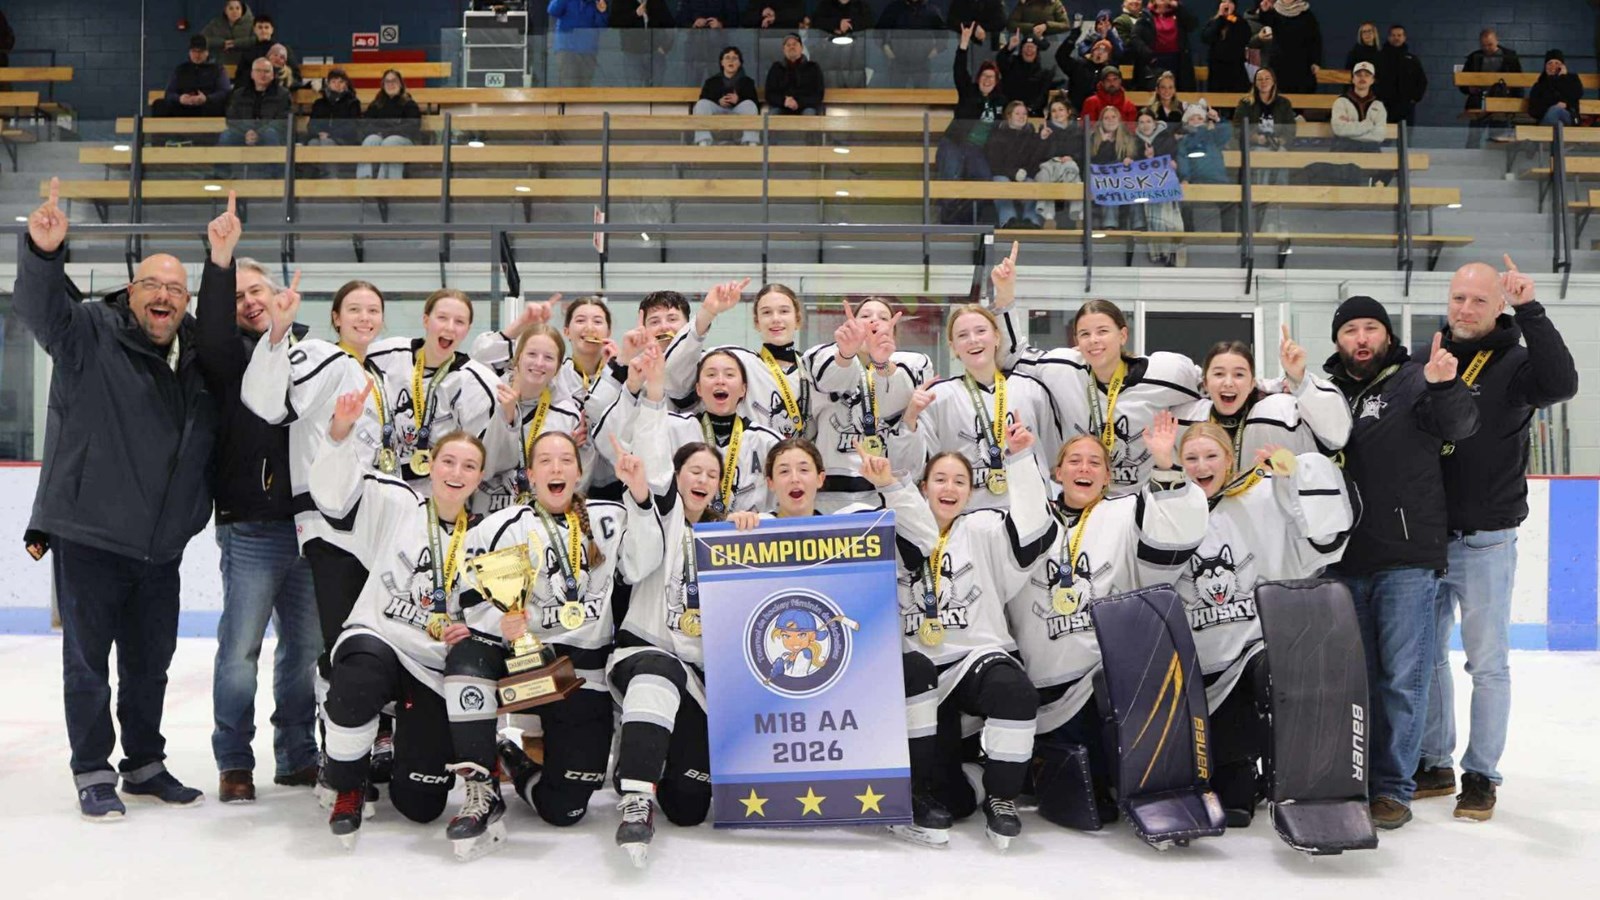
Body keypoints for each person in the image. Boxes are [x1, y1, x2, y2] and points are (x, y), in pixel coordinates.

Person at [16, 179, 220, 820]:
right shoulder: (88, 333)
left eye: (175, 290)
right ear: (130, 292)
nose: (164, 297)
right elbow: (41, 309)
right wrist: (44, 254)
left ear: (186, 302)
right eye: (152, 285)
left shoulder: (196, 357)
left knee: (150, 665)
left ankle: (145, 764)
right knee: (87, 664)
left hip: (160, 547)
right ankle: (92, 769)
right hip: (91, 536)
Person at [723, 438, 960, 847]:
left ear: (820, 478)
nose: (794, 479)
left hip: (848, 665)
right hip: (780, 678)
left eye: (803, 469)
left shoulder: (852, 526)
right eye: (783, 471)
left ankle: (913, 793)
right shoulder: (753, 528)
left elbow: (925, 539)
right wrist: (732, 528)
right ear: (769, 482)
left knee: (917, 670)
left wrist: (889, 485)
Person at [1420, 257, 1577, 822]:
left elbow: (1562, 384)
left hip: (1485, 539)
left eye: (1479, 300)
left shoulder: (1516, 363)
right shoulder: (1428, 357)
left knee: (1486, 664)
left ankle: (1481, 774)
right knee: (1427, 660)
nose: (1465, 309)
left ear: (1500, 306)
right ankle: (1434, 762)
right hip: (1424, 540)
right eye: (1458, 298)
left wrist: (1532, 308)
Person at [1322, 295, 1478, 830]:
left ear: (1387, 335)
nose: (1361, 338)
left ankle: (1392, 788)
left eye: (1371, 328)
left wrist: (1445, 385)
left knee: (1402, 680)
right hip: (1343, 558)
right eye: (1350, 330)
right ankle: (1359, 779)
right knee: (1358, 681)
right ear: (1338, 340)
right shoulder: (1327, 392)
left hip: (1407, 558)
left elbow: (1460, 425)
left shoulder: (1416, 379)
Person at [309, 405, 492, 850]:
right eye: (448, 461)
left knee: (421, 806)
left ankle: (394, 750)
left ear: (480, 477)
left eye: (469, 466)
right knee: (357, 679)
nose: (456, 473)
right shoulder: (396, 503)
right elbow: (333, 495)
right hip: (380, 637)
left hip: (431, 666)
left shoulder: (488, 535)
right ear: (431, 465)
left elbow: (496, 608)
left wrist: (472, 628)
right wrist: (338, 435)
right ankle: (347, 783)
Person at [1008, 415, 1206, 820]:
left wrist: (1164, 464)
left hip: (1106, 677)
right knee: (1080, 800)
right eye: (1074, 461)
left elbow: (1172, 539)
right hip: (1044, 679)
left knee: (1109, 789)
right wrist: (1020, 456)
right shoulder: (1032, 520)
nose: (1084, 468)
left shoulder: (1125, 511)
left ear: (1107, 476)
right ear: (1057, 472)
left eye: (1095, 462)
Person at [471, 427, 663, 836]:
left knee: (567, 808)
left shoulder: (608, 517)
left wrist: (640, 494)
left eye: (565, 461)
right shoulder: (503, 526)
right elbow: (464, 593)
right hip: (523, 667)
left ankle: (515, 761)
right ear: (530, 475)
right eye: (545, 461)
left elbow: (641, 565)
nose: (556, 469)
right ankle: (479, 762)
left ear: (579, 472)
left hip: (583, 674)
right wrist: (497, 623)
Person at [241, 279, 394, 788]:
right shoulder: (320, 355)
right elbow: (268, 403)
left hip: (372, 523)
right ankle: (339, 756)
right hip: (331, 525)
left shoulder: (374, 372)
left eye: (373, 310)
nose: (365, 318)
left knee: (372, 640)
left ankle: (371, 746)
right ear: (335, 317)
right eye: (355, 309)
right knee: (340, 646)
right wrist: (278, 333)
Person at [194, 216, 323, 804]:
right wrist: (221, 260)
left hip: (311, 527)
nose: (249, 302)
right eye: (238, 296)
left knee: (305, 652)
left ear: (279, 296)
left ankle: (297, 756)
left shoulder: (311, 354)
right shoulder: (227, 358)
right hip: (250, 527)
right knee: (240, 652)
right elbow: (214, 335)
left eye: (257, 291)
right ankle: (234, 761)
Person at [1173, 425, 1353, 825]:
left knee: (1282, 680)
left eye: (1211, 456)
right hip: (1201, 659)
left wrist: (1290, 477)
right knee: (1234, 806)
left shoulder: (1259, 496)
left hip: (1255, 646)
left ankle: (1299, 778)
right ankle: (1240, 772)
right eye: (1191, 458)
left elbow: (1318, 535)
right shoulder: (1171, 510)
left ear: (1228, 459)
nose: (1201, 466)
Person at [880, 431, 1051, 849]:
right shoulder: (892, 529)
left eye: (960, 481)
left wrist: (1020, 459)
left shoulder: (985, 527)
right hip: (920, 673)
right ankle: (955, 782)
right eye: (940, 479)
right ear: (923, 487)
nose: (950, 488)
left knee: (1014, 691)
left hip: (977, 657)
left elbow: (1033, 529)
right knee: (951, 802)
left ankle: (1002, 796)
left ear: (971, 492)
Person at [605, 359, 725, 864]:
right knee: (659, 669)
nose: (703, 479)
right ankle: (636, 797)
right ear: (678, 478)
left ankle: (643, 750)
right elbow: (653, 467)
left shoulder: (727, 539)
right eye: (694, 470)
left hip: (695, 677)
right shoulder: (666, 516)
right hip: (644, 654)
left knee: (689, 807)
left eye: (712, 475)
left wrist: (752, 530)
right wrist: (655, 395)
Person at [992, 266, 1202, 497]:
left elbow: (1212, 386)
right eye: (1085, 334)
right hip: (1083, 502)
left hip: (1142, 504)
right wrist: (1005, 292)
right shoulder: (1063, 368)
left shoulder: (1166, 372)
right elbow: (1011, 355)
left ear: (1123, 335)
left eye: (1102, 331)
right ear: (1076, 340)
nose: (1093, 340)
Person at [901, 305, 1062, 511]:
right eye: (962, 335)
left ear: (997, 337)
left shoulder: (1032, 390)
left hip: (1029, 514)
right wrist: (910, 417)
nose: (973, 340)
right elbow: (914, 470)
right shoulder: (938, 397)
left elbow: (1053, 459)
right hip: (965, 517)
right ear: (953, 347)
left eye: (980, 331)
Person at [595, 346, 783, 514]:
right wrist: (632, 387)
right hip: (681, 535)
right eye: (711, 374)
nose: (720, 381)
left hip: (746, 538)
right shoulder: (671, 427)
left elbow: (785, 504)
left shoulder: (768, 442)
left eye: (729, 375)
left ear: (743, 389)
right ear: (698, 389)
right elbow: (609, 441)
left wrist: (761, 520)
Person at [804, 298, 936, 512]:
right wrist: (846, 353)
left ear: (894, 333)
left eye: (883, 318)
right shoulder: (822, 356)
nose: (874, 321)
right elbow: (829, 380)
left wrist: (881, 362)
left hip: (885, 494)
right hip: (829, 496)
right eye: (865, 316)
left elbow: (893, 400)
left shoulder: (913, 364)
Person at [362, 289, 499, 485]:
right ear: (426, 320)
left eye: (459, 322)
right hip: (376, 481)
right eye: (442, 318)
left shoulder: (478, 383)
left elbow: (479, 457)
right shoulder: (384, 355)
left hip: (439, 490)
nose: (450, 327)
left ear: (468, 329)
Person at [1179, 329, 1350, 462]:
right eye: (1219, 374)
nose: (1228, 382)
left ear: (1252, 383)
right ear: (1205, 382)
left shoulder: (1277, 412)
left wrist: (1299, 377)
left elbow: (1334, 438)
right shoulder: (1186, 418)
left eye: (1239, 374)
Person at [478, 326, 588, 514]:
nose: (539, 363)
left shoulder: (567, 415)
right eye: (532, 354)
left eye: (549, 358)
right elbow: (485, 469)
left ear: (558, 367)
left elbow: (576, 480)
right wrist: (505, 417)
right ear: (518, 357)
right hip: (488, 510)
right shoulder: (487, 397)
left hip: (543, 515)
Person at [939, 24, 1006, 223]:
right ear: (978, 79)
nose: (987, 80)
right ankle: (947, 220)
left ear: (996, 81)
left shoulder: (1000, 101)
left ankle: (966, 216)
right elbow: (959, 71)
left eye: (991, 77)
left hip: (977, 149)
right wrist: (964, 44)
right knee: (951, 177)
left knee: (985, 180)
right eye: (984, 76)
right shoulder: (968, 91)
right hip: (954, 142)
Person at [1235, 66, 1295, 229]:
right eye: (1259, 79)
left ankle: (1278, 203)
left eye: (1267, 78)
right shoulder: (1246, 103)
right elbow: (1238, 128)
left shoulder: (1284, 103)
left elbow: (1291, 130)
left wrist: (1279, 141)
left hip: (1277, 146)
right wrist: (1256, 138)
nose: (1263, 82)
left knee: (1281, 154)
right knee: (1262, 155)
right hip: (1255, 146)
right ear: (1254, 83)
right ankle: (1260, 202)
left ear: (1273, 81)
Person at [1133, 110, 1183, 261]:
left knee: (1169, 219)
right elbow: (1134, 164)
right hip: (1146, 186)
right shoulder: (1133, 140)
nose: (1145, 125)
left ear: (1154, 123)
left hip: (1166, 185)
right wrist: (1147, 158)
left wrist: (1154, 158)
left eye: (1148, 121)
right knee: (1153, 220)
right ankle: (1158, 253)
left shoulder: (1167, 137)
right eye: (1141, 122)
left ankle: (1172, 254)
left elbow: (1173, 159)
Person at [1461, 28, 1523, 147]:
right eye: (1484, 45)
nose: (1487, 48)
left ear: (1497, 41)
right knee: (1473, 138)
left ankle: (1495, 157)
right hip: (1479, 102)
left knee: (1498, 138)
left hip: (1502, 102)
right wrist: (1469, 88)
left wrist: (1516, 104)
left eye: (1490, 44)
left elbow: (1518, 81)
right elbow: (1463, 82)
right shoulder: (1474, 57)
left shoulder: (1509, 56)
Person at [1176, 101, 1233, 230]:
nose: (1196, 121)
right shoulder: (1184, 141)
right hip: (1195, 180)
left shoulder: (1213, 136)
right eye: (1192, 118)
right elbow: (1182, 160)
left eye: (1200, 118)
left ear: (1205, 121)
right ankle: (1188, 234)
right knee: (1185, 204)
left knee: (1230, 203)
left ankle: (1229, 234)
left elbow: (1227, 132)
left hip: (1218, 180)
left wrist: (1218, 119)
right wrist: (1185, 178)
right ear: (1187, 122)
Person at [988, 101, 1044, 229]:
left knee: (1033, 183)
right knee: (1001, 182)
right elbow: (994, 163)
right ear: (1009, 116)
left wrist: (1042, 139)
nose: (1021, 116)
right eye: (1017, 113)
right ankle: (1008, 221)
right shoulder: (997, 134)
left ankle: (1032, 221)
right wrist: (1014, 173)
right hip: (1002, 174)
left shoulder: (1031, 135)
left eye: (1024, 114)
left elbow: (1035, 160)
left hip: (1025, 175)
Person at [219, 58, 289, 158]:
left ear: (273, 75)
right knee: (226, 136)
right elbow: (231, 118)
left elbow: (282, 120)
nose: (262, 75)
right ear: (252, 74)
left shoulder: (283, 94)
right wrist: (247, 132)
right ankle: (221, 169)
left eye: (266, 71)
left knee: (270, 134)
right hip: (243, 133)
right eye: (258, 71)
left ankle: (275, 168)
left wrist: (258, 133)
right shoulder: (239, 94)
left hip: (268, 133)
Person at [360, 70, 423, 181]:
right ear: (383, 85)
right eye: (387, 82)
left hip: (404, 140)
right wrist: (380, 132)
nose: (391, 84)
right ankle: (364, 180)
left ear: (400, 84)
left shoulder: (409, 103)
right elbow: (365, 123)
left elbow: (413, 125)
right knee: (370, 140)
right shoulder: (376, 104)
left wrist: (388, 132)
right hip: (381, 136)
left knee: (390, 142)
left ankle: (388, 182)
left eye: (394, 81)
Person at [691, 46, 759, 146]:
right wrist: (718, 101)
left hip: (737, 111)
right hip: (718, 110)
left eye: (735, 58)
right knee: (701, 104)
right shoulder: (711, 81)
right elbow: (703, 99)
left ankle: (750, 142)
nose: (731, 61)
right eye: (727, 58)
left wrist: (738, 100)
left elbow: (755, 104)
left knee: (749, 105)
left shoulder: (747, 82)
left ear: (739, 63)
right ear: (722, 62)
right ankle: (703, 141)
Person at [1034, 98, 1084, 228]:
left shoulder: (1079, 131)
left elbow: (1084, 154)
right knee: (1044, 175)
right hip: (1049, 166)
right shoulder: (1045, 129)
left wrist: (1072, 158)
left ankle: (1079, 216)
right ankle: (1048, 217)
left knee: (1072, 169)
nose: (1057, 113)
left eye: (1061, 109)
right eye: (1054, 111)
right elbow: (1036, 157)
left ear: (1068, 112)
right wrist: (1042, 139)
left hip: (1069, 165)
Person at [153, 35, 231, 118]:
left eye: (200, 52)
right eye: (194, 51)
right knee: (159, 105)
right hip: (184, 106)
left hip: (206, 106)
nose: (197, 55)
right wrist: (180, 98)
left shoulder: (217, 69)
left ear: (207, 52)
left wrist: (207, 99)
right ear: (189, 52)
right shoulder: (181, 69)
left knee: (220, 107)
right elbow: (169, 93)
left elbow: (224, 92)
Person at [1254, 0, 1321, 95]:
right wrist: (1264, 10)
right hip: (1278, 63)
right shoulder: (1273, 11)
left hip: (1301, 64)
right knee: (1277, 97)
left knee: (1301, 96)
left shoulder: (1306, 14)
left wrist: (1316, 61)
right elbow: (1265, 24)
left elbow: (1315, 39)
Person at [1086, 106, 1138, 228]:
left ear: (1119, 119)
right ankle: (1110, 225)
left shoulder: (1129, 139)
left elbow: (1137, 161)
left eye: (1113, 117)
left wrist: (1130, 161)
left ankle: (1138, 226)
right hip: (1099, 183)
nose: (1110, 120)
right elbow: (1092, 163)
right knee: (1110, 187)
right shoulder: (1092, 139)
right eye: (1106, 118)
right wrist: (1104, 143)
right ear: (1101, 121)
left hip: (1125, 184)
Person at [878, 0, 948, 89]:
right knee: (896, 95)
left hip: (922, 65)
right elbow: (878, 32)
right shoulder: (893, 9)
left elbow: (944, 35)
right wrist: (885, 48)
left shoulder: (931, 11)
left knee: (922, 95)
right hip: (898, 64)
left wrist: (935, 51)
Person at [305, 68, 362, 178]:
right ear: (328, 84)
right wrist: (319, 133)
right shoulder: (319, 103)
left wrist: (330, 135)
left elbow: (352, 126)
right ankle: (313, 180)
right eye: (334, 81)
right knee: (312, 143)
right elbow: (312, 125)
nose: (337, 85)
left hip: (343, 140)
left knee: (327, 143)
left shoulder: (353, 103)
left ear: (346, 84)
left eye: (341, 82)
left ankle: (331, 178)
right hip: (320, 138)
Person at [1134, 0, 1199, 91]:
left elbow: (1192, 25)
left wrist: (1178, 7)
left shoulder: (1179, 13)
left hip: (1177, 61)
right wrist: (1148, 54)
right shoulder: (1146, 15)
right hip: (1154, 61)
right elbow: (1135, 37)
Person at [810, 0, 874, 88]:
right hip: (831, 54)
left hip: (854, 55)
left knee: (855, 84)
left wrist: (848, 26)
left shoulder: (860, 5)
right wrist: (837, 24)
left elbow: (869, 22)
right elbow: (816, 22)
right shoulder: (825, 4)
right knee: (832, 83)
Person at [547, 0, 609, 87]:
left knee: (585, 89)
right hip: (566, 48)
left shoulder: (596, 2)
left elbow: (602, 27)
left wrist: (602, 12)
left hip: (588, 50)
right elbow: (553, 10)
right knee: (568, 87)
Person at [1375, 25, 1428, 126]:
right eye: (1393, 35)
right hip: (1384, 106)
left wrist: (1414, 98)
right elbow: (1372, 79)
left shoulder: (1412, 59)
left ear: (1404, 37)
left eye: (1399, 35)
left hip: (1406, 107)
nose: (1396, 38)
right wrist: (1378, 98)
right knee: (1384, 135)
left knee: (1406, 134)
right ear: (1389, 37)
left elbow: (1422, 81)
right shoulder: (1379, 58)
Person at [997, 33, 1059, 117]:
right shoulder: (1010, 65)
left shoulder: (1044, 74)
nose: (1029, 50)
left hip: (1033, 114)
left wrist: (1029, 109)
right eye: (1026, 46)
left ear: (1037, 51)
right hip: (1010, 113)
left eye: (1032, 47)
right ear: (1021, 50)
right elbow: (1001, 60)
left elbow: (1043, 96)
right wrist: (1009, 48)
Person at [1331, 61, 1387, 152]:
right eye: (1359, 75)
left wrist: (1350, 131)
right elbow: (1339, 130)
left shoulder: (1378, 105)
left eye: (1367, 75)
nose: (1362, 78)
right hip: (1344, 150)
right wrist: (1368, 125)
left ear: (1372, 80)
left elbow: (1379, 135)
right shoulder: (1341, 102)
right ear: (1353, 79)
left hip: (1371, 151)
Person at [765, 33, 825, 115]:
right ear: (783, 49)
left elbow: (818, 94)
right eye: (788, 45)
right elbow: (769, 94)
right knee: (772, 115)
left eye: (794, 44)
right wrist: (784, 101)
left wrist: (799, 102)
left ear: (801, 47)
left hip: (806, 106)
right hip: (782, 106)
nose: (791, 47)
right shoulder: (776, 68)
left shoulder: (813, 68)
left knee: (809, 114)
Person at [1201, 0, 1251, 93]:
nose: (1226, 4)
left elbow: (1245, 38)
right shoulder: (1214, 21)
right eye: (1223, 2)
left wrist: (1230, 18)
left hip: (1235, 68)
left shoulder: (1240, 22)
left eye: (1230, 2)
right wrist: (1220, 18)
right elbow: (1206, 38)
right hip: (1216, 69)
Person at [1527, 49, 1584, 127]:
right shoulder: (1540, 85)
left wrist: (1563, 77)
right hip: (1546, 118)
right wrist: (1553, 106)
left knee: (1557, 111)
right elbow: (1533, 110)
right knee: (1555, 113)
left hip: (1568, 117)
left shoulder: (1571, 79)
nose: (1553, 66)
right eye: (1550, 63)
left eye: (1557, 63)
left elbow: (1577, 93)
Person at [230, 14, 284, 87]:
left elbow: (293, 74)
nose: (263, 30)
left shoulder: (282, 50)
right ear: (254, 30)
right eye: (260, 27)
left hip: (276, 89)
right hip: (251, 89)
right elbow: (239, 76)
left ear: (272, 30)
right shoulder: (248, 52)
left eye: (266, 27)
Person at [202, 0, 254, 71]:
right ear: (225, 10)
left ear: (242, 10)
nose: (234, 11)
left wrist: (236, 43)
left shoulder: (252, 23)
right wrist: (221, 43)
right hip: (220, 65)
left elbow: (256, 40)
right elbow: (201, 39)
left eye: (237, 8)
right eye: (231, 8)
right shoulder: (216, 23)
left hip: (245, 66)